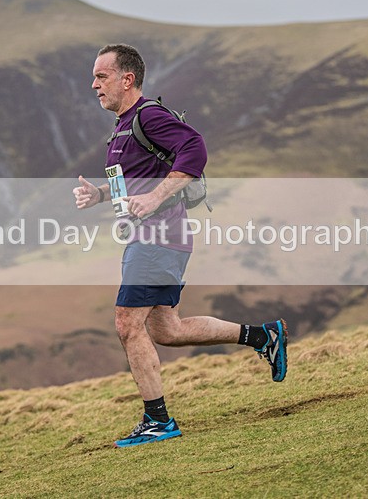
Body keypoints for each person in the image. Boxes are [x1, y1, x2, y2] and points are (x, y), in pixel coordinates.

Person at [73, 44, 287, 448]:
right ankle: (263, 337)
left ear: (127, 78)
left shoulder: (149, 115)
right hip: (149, 238)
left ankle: (158, 420)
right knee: (168, 330)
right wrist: (100, 195)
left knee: (126, 324)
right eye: (95, 77)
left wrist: (155, 199)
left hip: (159, 236)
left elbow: (196, 149)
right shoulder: (122, 127)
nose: (94, 84)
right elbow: (134, 181)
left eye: (101, 76)